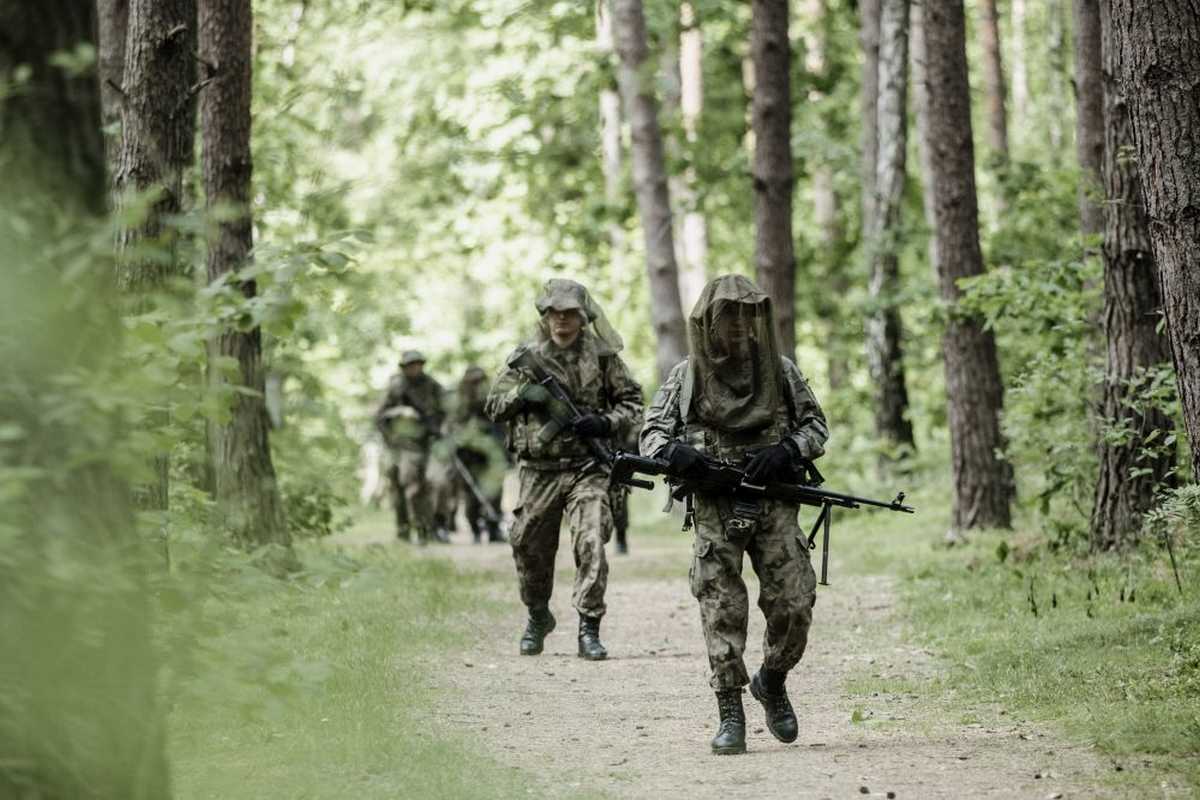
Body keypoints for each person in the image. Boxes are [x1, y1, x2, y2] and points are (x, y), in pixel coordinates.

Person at [639, 274, 828, 755]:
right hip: (714, 507)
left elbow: (816, 426)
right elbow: (651, 436)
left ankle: (772, 679)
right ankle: (730, 709)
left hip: (774, 500)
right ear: (710, 325)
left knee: (795, 601)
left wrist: (786, 450)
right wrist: (676, 455)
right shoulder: (687, 376)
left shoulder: (779, 372)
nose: (739, 329)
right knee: (721, 606)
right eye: (729, 321)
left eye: (747, 319)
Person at [485, 279, 643, 660]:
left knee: (590, 539)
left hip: (587, 467)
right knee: (528, 545)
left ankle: (589, 627)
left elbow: (634, 402)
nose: (562, 321)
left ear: (583, 317)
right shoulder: (526, 357)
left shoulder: (603, 357)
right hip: (538, 470)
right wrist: (522, 396)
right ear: (545, 315)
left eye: (570, 313)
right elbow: (493, 406)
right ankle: (538, 615)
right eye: (555, 313)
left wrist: (605, 423)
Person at [376, 350, 445, 544]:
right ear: (404, 367)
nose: (414, 368)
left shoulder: (432, 385)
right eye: (410, 365)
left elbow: (445, 410)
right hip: (396, 444)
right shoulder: (396, 386)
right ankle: (403, 531)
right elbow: (379, 417)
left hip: (419, 445)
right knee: (397, 488)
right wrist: (400, 412)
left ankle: (423, 530)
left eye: (417, 364)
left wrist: (437, 429)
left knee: (416, 487)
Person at [452, 365, 509, 544]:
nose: (477, 385)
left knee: (495, 493)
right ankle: (475, 530)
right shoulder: (459, 404)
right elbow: (451, 428)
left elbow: (502, 427)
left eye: (480, 381)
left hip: (492, 455)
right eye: (473, 381)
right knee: (471, 495)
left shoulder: (493, 400)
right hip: (468, 456)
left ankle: (493, 530)